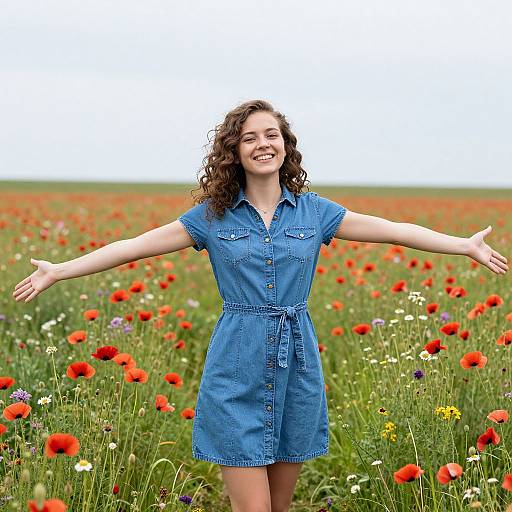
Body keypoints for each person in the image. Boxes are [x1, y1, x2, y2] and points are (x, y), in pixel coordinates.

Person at [12, 99, 508, 512]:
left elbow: (394, 230)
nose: (263, 143)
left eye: (271, 134)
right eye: (249, 137)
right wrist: (60, 269)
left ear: (285, 146)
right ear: (234, 151)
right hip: (236, 363)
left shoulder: (315, 212)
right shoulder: (211, 218)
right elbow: (132, 245)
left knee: (280, 505)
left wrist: (462, 244)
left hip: (297, 362)